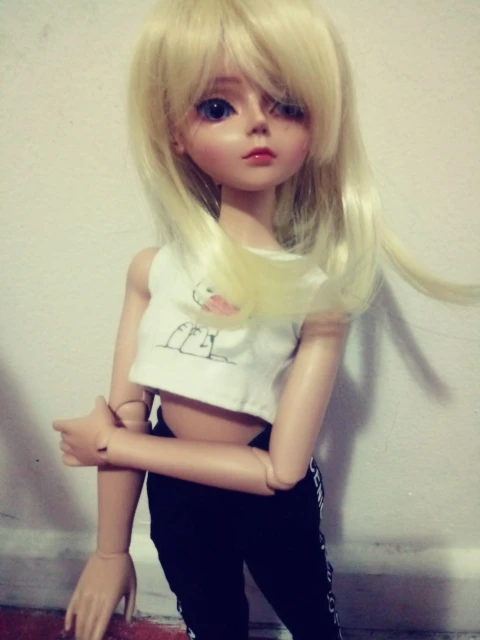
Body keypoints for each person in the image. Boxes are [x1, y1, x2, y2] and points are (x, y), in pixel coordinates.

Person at [53, 1, 479, 639]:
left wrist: (114, 447)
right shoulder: (153, 271)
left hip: (269, 503)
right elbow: (127, 410)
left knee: (310, 617)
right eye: (216, 106)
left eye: (286, 105)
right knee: (210, 621)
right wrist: (110, 550)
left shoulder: (315, 294)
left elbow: (279, 471)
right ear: (175, 132)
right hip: (176, 500)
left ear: (319, 124)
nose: (257, 124)